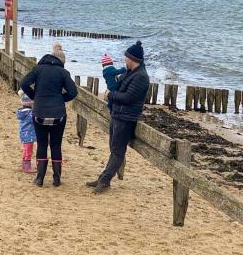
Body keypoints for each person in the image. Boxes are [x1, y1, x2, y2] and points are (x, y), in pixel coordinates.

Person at [87, 41, 150, 194]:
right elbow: (119, 88)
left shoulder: (141, 76)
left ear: (132, 59)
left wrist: (110, 95)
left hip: (126, 118)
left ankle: (105, 180)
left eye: (126, 58)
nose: (124, 61)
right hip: (117, 114)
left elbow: (128, 97)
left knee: (117, 151)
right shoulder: (129, 72)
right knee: (113, 148)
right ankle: (103, 177)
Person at [20, 43, 78, 187]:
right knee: (56, 145)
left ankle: (39, 179)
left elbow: (23, 83)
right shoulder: (63, 72)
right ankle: (56, 179)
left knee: (42, 144)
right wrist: (60, 99)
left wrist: (35, 96)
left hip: (40, 112)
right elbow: (73, 92)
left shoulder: (38, 69)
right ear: (61, 62)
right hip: (58, 114)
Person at [16, 90, 37, 173]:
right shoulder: (30, 114)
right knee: (28, 150)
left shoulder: (21, 113)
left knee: (25, 150)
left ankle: (24, 165)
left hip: (23, 134)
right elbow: (35, 120)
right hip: (29, 135)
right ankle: (27, 166)